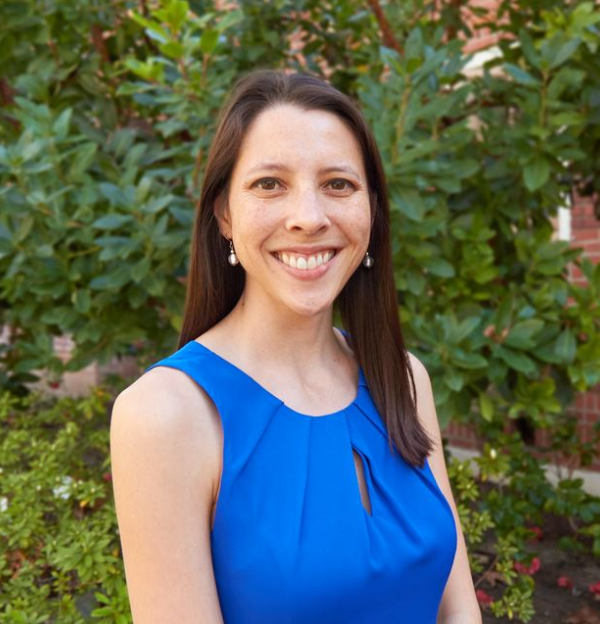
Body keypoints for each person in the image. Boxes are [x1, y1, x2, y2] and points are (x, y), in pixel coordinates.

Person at [110, 69, 482, 624]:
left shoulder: (403, 378)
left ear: (372, 212)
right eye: (269, 184)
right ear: (224, 215)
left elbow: (458, 608)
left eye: (339, 184)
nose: (309, 217)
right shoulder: (165, 415)